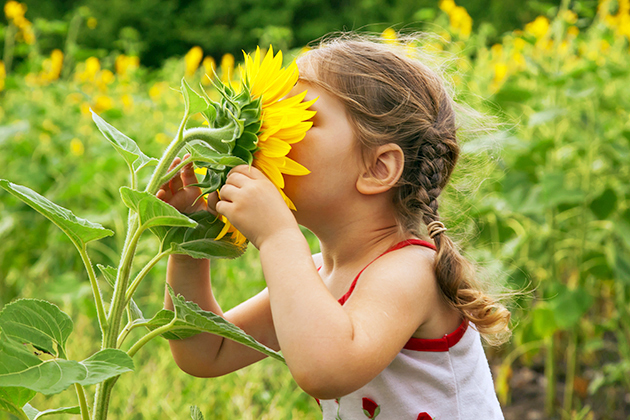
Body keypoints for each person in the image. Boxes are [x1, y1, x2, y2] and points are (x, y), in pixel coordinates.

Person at [158, 34, 511, 419]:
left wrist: (278, 238)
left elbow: (326, 371)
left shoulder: (410, 272)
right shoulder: (317, 273)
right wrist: (192, 237)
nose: (267, 134)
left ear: (378, 169)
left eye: (301, 119)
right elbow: (208, 352)